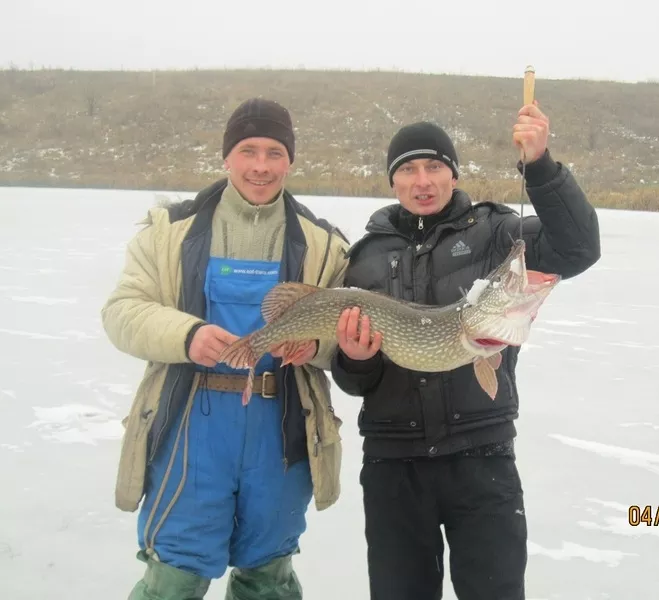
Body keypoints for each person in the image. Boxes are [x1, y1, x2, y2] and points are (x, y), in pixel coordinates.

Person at [330, 102, 601, 600]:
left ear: (453, 174)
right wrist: (355, 358)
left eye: (435, 166)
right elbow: (352, 381)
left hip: (482, 461)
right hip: (394, 467)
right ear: (393, 182)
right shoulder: (364, 258)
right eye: (408, 169)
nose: (423, 180)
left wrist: (540, 166)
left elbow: (578, 248)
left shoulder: (495, 233)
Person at [101, 97, 350, 600]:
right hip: (192, 423)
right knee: (176, 572)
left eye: (275, 152)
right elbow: (122, 312)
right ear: (226, 157)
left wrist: (317, 344)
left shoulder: (325, 244)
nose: (261, 166)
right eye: (248, 150)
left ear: (291, 161)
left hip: (280, 428)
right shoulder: (168, 232)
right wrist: (187, 336)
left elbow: (348, 338)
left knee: (268, 575)